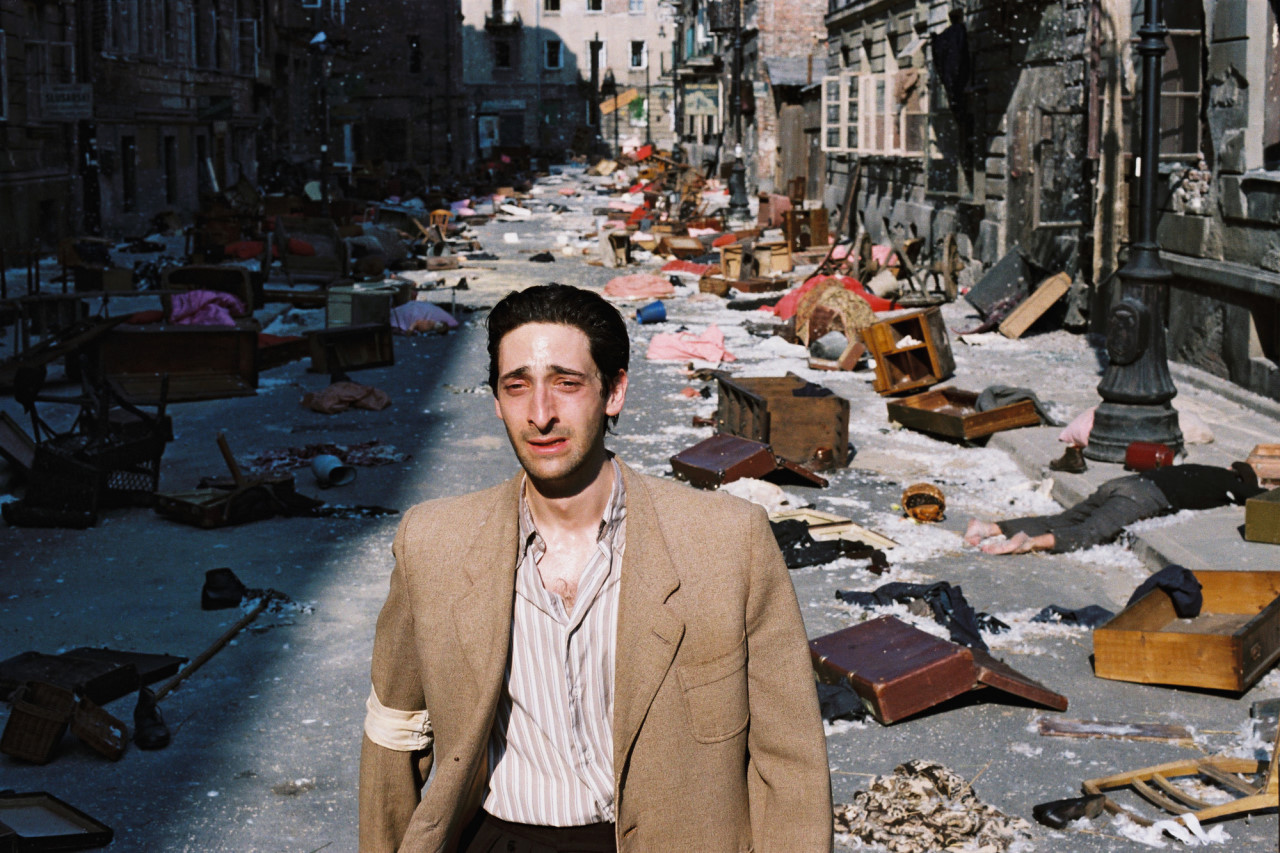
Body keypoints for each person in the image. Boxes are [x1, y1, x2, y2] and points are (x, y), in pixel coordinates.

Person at [359, 283, 832, 852]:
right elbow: (396, 731)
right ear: (497, 401)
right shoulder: (434, 542)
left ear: (614, 391)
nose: (541, 415)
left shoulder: (727, 541)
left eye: (567, 383)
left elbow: (790, 758)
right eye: (517, 387)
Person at [965, 462, 1263, 554]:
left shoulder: (1202, 469)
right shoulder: (1230, 482)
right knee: (1091, 532)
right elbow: (1259, 496)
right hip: (1144, 496)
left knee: (1066, 517)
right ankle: (1029, 543)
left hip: (1124, 483)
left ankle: (988, 528)